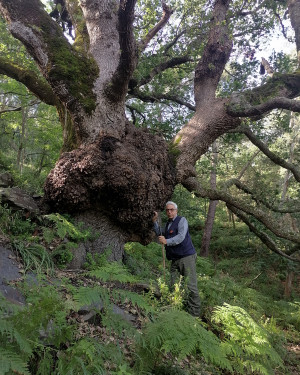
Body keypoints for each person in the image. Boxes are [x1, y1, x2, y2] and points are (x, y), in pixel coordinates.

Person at [153, 201, 201, 317]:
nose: (169, 212)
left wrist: (167, 241)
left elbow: (180, 237)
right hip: (175, 259)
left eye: (172, 210)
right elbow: (160, 233)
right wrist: (154, 221)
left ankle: (194, 316)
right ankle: (176, 309)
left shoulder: (182, 221)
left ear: (176, 211)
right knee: (173, 284)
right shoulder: (168, 224)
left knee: (191, 286)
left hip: (186, 257)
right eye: (167, 210)